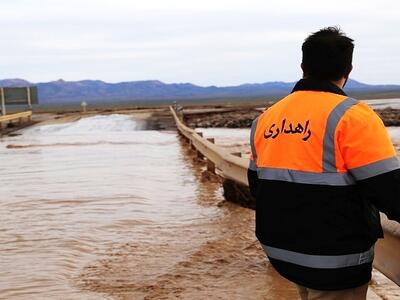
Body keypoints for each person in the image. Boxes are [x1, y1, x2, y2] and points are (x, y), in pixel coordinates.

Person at [248, 27, 400, 300]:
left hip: (284, 254)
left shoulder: (266, 119)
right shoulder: (353, 116)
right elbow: (391, 192)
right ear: (349, 69)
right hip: (335, 262)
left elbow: (256, 185)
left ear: (303, 66)